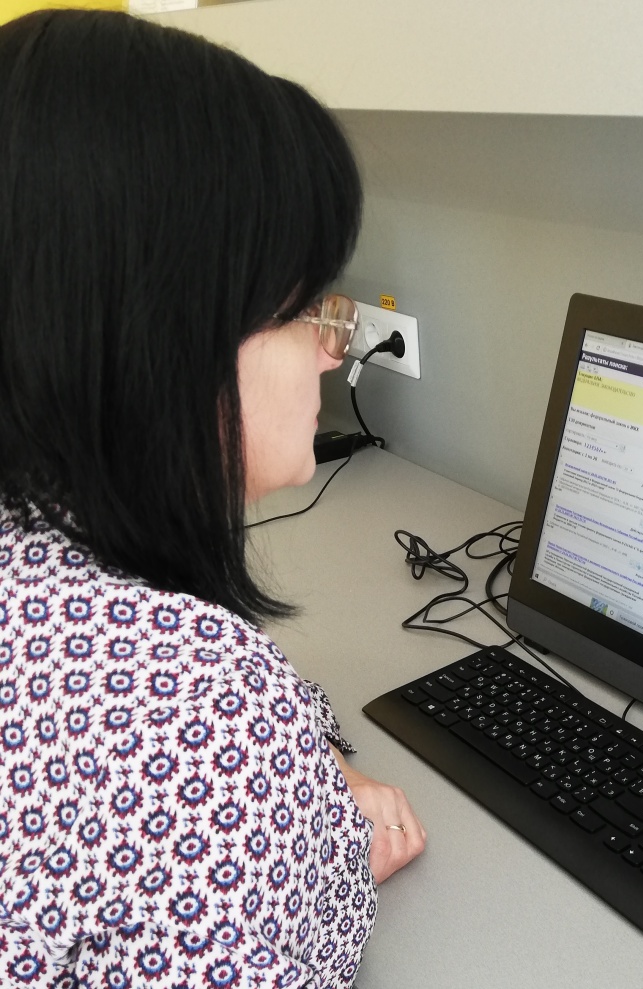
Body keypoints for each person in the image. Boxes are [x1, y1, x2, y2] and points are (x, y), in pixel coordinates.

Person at [0, 8, 424, 987]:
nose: (332, 349)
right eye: (306, 306)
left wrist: (304, 764)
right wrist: (321, 865)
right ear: (167, 335)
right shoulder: (195, 711)